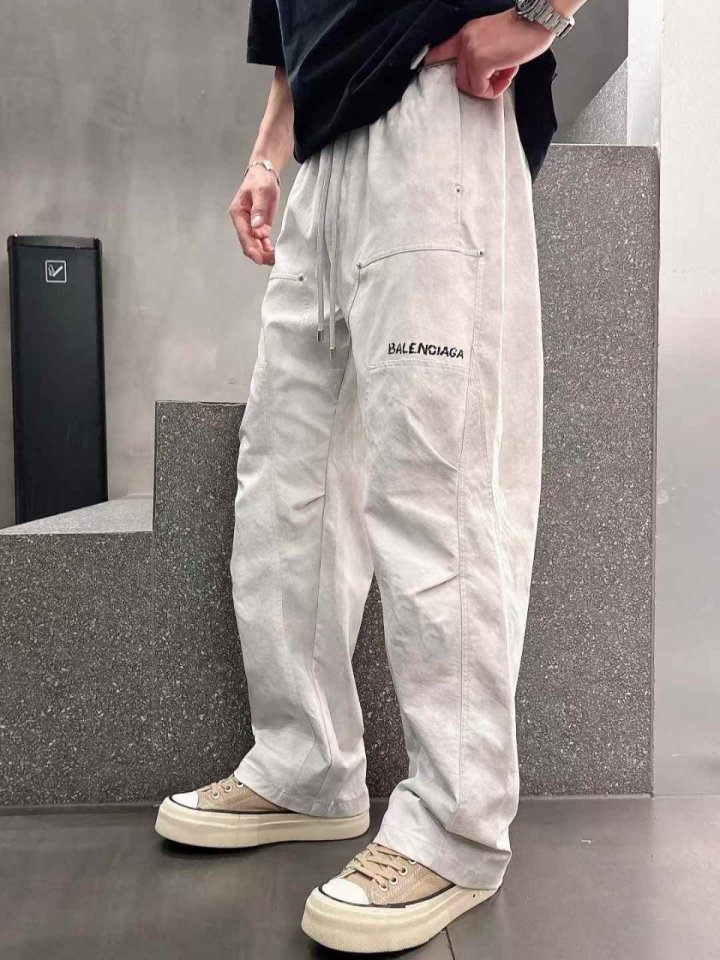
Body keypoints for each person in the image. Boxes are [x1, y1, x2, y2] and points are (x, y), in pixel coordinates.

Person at [155, 0, 589, 952]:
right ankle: (305, 767)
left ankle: (457, 828)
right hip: (322, 161)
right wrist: (266, 160)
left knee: (436, 486)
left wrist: (542, 14)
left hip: (434, 112)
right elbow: (289, 35)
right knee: (284, 485)